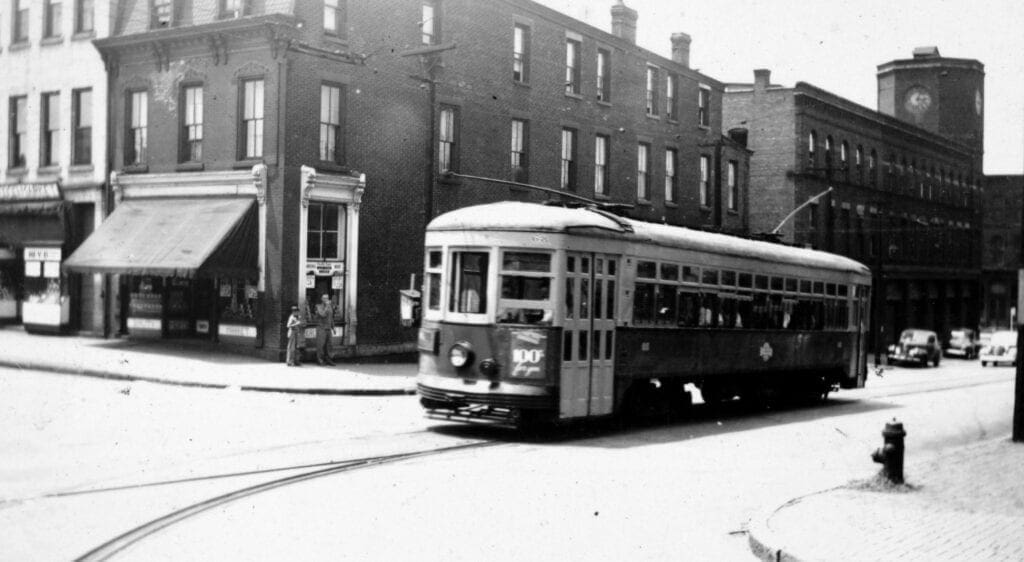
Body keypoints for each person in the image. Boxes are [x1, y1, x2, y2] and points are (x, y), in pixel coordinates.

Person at [314, 294, 337, 366]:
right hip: (321, 328)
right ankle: (320, 360)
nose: (326, 300)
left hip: (328, 328)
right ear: (321, 299)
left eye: (327, 298)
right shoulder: (318, 306)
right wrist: (327, 306)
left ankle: (328, 359)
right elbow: (323, 315)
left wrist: (333, 327)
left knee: (329, 345)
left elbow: (331, 318)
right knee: (320, 345)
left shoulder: (330, 307)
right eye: (324, 298)